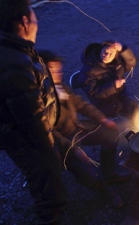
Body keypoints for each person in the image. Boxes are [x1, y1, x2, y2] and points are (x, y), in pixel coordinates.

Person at [0, 0, 67, 224]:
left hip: (27, 137)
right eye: (36, 20)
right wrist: (49, 148)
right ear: (25, 22)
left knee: (46, 183)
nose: (38, 25)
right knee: (48, 190)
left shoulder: (15, 50)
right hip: (29, 142)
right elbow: (30, 114)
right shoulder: (13, 61)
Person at [38, 49, 132, 208]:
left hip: (76, 128)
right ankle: (103, 190)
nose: (57, 73)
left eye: (58, 68)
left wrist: (102, 118)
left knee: (112, 132)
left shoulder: (61, 87)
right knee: (85, 167)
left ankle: (109, 173)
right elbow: (47, 131)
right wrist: (73, 149)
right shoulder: (39, 97)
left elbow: (81, 104)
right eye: (51, 69)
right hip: (59, 142)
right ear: (41, 71)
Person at [78, 40, 139, 132]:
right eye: (105, 52)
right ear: (101, 50)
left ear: (115, 56)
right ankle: (123, 139)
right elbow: (93, 92)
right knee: (118, 123)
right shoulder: (88, 69)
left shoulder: (117, 62)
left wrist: (122, 49)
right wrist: (113, 86)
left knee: (135, 108)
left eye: (111, 54)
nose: (106, 55)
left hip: (121, 94)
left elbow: (132, 63)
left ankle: (138, 133)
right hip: (103, 101)